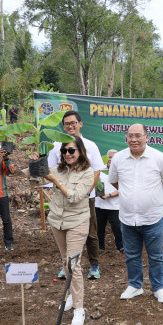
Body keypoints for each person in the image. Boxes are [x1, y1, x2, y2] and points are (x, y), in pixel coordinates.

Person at [109, 123, 163, 303]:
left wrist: (157, 197)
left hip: (152, 217)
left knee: (155, 255)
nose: (133, 139)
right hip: (128, 217)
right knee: (131, 254)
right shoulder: (118, 159)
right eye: (130, 136)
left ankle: (159, 287)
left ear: (147, 137)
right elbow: (115, 182)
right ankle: (135, 285)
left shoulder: (159, 158)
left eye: (138, 135)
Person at [40, 138, 94, 325]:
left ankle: (79, 308)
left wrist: (55, 181)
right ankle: (72, 293)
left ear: (80, 151)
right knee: (65, 261)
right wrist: (35, 163)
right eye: (64, 150)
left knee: (73, 264)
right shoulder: (59, 169)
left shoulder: (87, 172)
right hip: (57, 220)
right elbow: (36, 179)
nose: (67, 154)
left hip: (77, 220)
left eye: (71, 150)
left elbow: (75, 197)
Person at [48, 110, 105, 280]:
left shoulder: (90, 145)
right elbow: (50, 171)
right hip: (62, 198)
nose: (70, 126)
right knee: (63, 230)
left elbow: (96, 172)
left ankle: (94, 265)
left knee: (91, 232)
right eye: (67, 124)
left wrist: (84, 192)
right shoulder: (57, 146)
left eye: (73, 123)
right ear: (63, 126)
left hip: (86, 195)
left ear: (80, 124)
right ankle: (66, 265)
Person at [96, 149, 123, 252]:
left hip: (115, 206)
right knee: (99, 229)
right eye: (110, 157)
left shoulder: (121, 171)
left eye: (114, 157)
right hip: (99, 205)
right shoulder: (99, 170)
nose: (111, 159)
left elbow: (123, 188)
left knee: (117, 228)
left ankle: (121, 246)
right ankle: (100, 247)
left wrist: (110, 195)